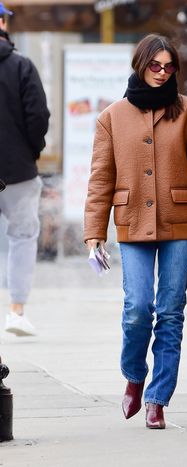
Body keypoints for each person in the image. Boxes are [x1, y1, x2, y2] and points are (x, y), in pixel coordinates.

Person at [84, 34, 187, 429]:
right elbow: (100, 180)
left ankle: (157, 399)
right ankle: (133, 374)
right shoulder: (111, 117)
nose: (162, 74)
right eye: (155, 66)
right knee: (137, 309)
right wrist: (94, 230)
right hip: (131, 221)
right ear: (140, 65)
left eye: (169, 67)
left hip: (180, 221)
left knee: (171, 311)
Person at [0, 3, 50, 336]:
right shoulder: (21, 66)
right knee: (22, 237)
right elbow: (38, 117)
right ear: (2, 23)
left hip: (17, 166)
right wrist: (30, 152)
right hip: (17, 171)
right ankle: (16, 311)